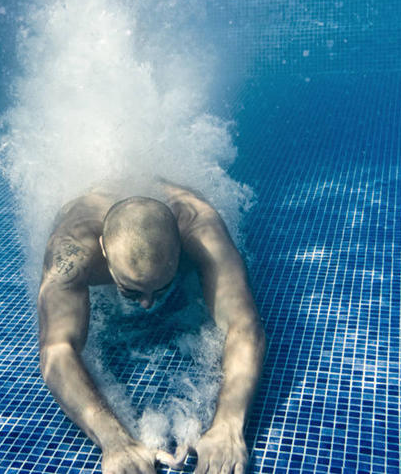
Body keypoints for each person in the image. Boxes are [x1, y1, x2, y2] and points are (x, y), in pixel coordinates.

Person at [38, 179, 267, 474]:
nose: (147, 304)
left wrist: (228, 424)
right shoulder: (71, 252)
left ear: (181, 249)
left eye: (161, 289)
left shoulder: (202, 233)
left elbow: (244, 325)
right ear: (103, 252)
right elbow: (56, 349)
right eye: (132, 291)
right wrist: (114, 441)